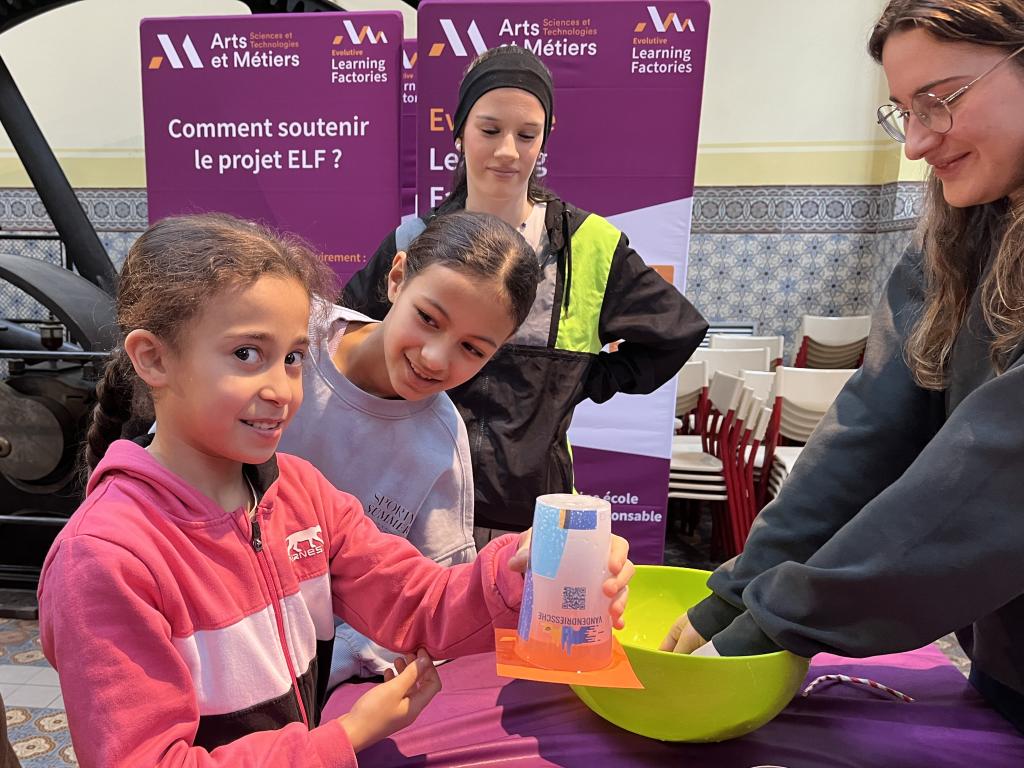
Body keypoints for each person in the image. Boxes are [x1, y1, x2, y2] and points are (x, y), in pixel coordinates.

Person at [36, 213, 633, 767]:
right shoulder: (106, 560)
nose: (281, 389)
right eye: (247, 354)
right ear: (153, 359)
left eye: (294, 357)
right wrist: (342, 737)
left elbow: (422, 602)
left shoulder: (300, 495)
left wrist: (523, 571)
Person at [660, 0, 1024, 734]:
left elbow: (987, 479)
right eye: (904, 112)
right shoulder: (959, 235)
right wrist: (733, 595)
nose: (917, 143)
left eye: (940, 100)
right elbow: (870, 427)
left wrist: (773, 622)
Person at [342, 44, 708, 541]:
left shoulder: (588, 243)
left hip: (531, 515)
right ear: (459, 130)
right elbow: (348, 334)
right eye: (490, 130)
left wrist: (581, 381)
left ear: (545, 139)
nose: (508, 152)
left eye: (527, 135)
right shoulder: (416, 240)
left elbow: (675, 332)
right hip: (415, 505)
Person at [278, 210, 539, 686]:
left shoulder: (439, 449)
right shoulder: (289, 335)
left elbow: (436, 605)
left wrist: (330, 663)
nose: (435, 358)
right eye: (428, 319)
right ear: (396, 278)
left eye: (473, 349)